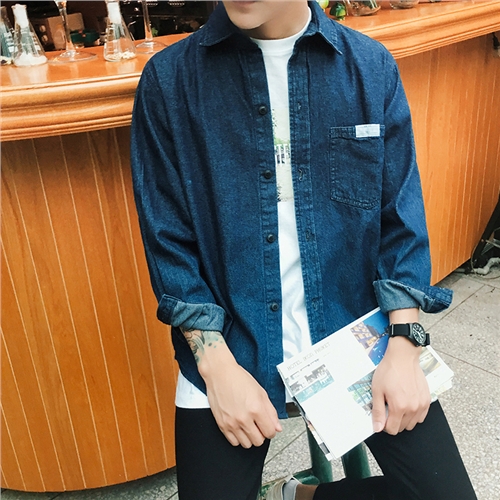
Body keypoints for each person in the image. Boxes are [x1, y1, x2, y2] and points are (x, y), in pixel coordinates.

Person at [130, 1, 477, 499]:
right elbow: (168, 243)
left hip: (357, 333)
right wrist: (216, 367)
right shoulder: (170, 81)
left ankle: (297, 495)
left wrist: (404, 344)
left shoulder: (369, 67)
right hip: (229, 342)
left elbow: (400, 222)